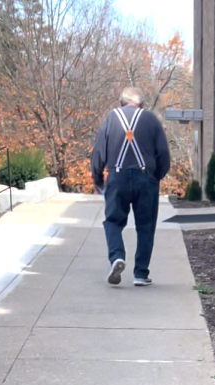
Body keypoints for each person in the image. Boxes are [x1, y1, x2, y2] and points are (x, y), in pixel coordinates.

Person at [91, 87, 171, 286]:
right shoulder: (151, 120)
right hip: (146, 179)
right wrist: (156, 176)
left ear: (121, 103)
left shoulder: (110, 118)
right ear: (141, 105)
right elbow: (163, 153)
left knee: (112, 221)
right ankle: (141, 274)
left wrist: (98, 180)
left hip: (117, 176)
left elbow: (98, 153)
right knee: (146, 226)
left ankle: (117, 256)